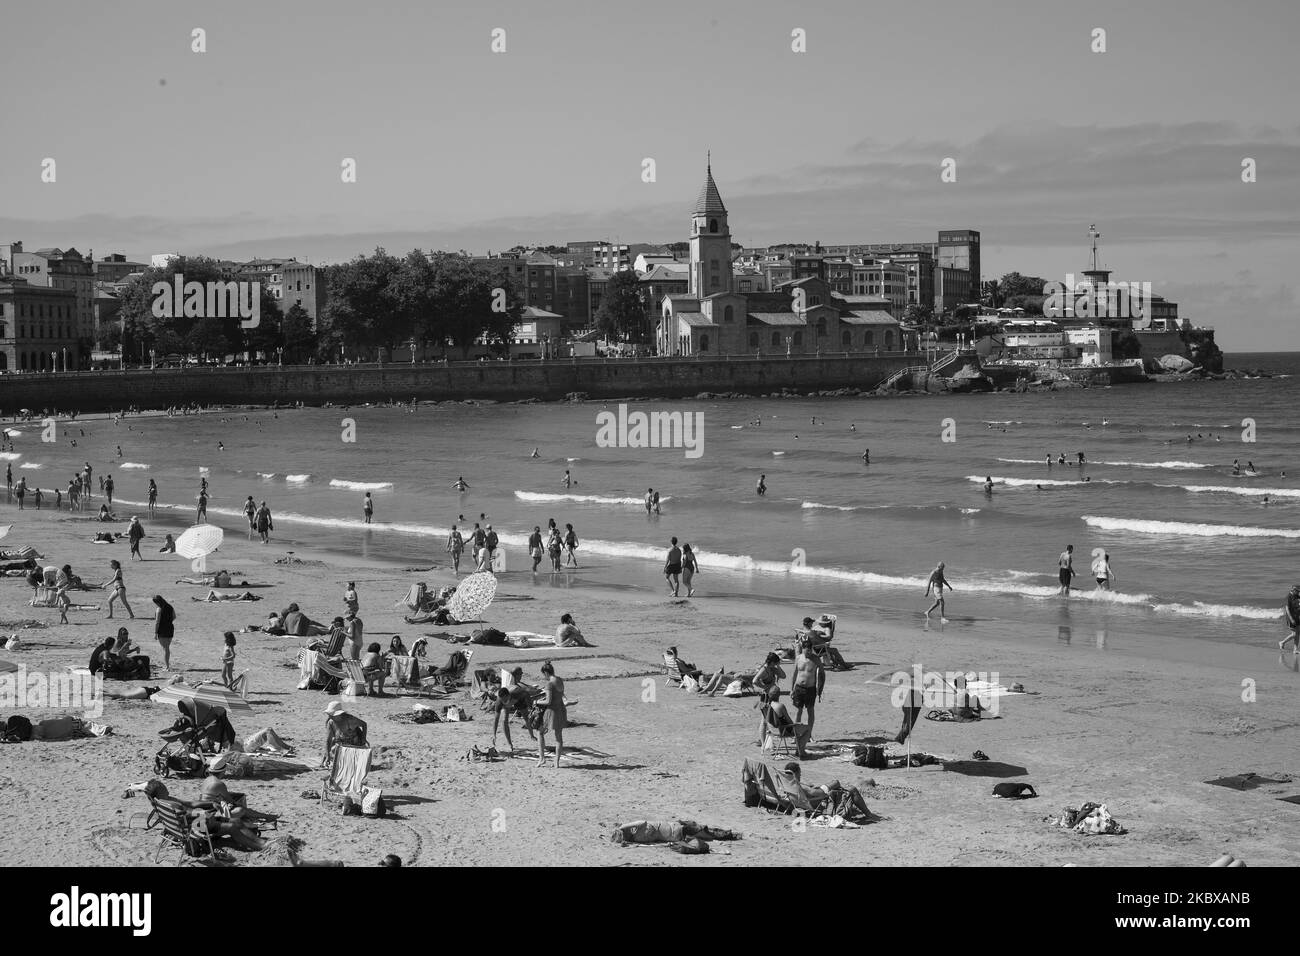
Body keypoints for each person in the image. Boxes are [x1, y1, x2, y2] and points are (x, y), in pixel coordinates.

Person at [782, 762, 871, 819]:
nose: (800, 775)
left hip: (806, 803)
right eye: (799, 773)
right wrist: (833, 784)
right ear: (796, 773)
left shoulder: (788, 785)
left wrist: (815, 788)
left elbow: (811, 792)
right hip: (819, 803)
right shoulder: (799, 786)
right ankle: (869, 814)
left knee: (842, 788)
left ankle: (862, 811)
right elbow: (818, 793)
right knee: (852, 789)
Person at [492, 667, 540, 752]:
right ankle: (510, 743)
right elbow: (496, 719)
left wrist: (530, 707)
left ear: (509, 695)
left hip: (519, 699)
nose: (505, 702)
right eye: (504, 700)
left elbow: (527, 694)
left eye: (506, 700)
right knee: (504, 721)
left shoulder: (517, 691)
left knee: (526, 717)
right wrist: (494, 734)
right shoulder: (499, 701)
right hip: (509, 700)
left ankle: (531, 735)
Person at [790, 634, 826, 740]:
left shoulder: (816, 659)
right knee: (798, 711)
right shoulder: (798, 658)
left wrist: (820, 689)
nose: (808, 653)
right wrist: (791, 690)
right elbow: (794, 674)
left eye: (809, 651)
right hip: (798, 688)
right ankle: (796, 734)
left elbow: (822, 675)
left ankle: (809, 734)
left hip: (810, 689)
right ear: (803, 649)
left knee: (810, 711)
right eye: (806, 651)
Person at [759, 686, 810, 758]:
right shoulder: (780, 706)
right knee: (807, 729)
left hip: (772, 730)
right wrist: (796, 724)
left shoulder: (766, 706)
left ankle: (799, 750)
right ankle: (800, 751)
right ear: (778, 695)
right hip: (783, 730)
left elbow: (765, 722)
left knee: (799, 729)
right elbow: (789, 721)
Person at [537, 661, 566, 769]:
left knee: (540, 732)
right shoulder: (559, 680)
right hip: (561, 709)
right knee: (558, 737)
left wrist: (537, 702)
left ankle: (542, 758)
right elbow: (561, 694)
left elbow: (548, 701)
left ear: (546, 672)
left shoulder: (549, 683)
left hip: (552, 711)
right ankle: (556, 762)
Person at [153, 595, 176, 670]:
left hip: (162, 630)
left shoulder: (159, 609)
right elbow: (174, 616)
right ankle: (167, 665)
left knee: (165, 648)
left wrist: (155, 633)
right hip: (170, 628)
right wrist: (168, 622)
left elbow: (157, 622)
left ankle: (167, 666)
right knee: (167, 648)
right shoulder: (170, 607)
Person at [1280, 585, 1300, 655]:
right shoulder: (1288, 597)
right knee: (1295, 634)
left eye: (1299, 591)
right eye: (1297, 591)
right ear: (1293, 590)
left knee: (1297, 634)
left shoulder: (1297, 596)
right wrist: (1291, 619)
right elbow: (1287, 609)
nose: (1298, 592)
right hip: (1291, 618)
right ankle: (1282, 642)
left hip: (1298, 617)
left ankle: (1295, 649)